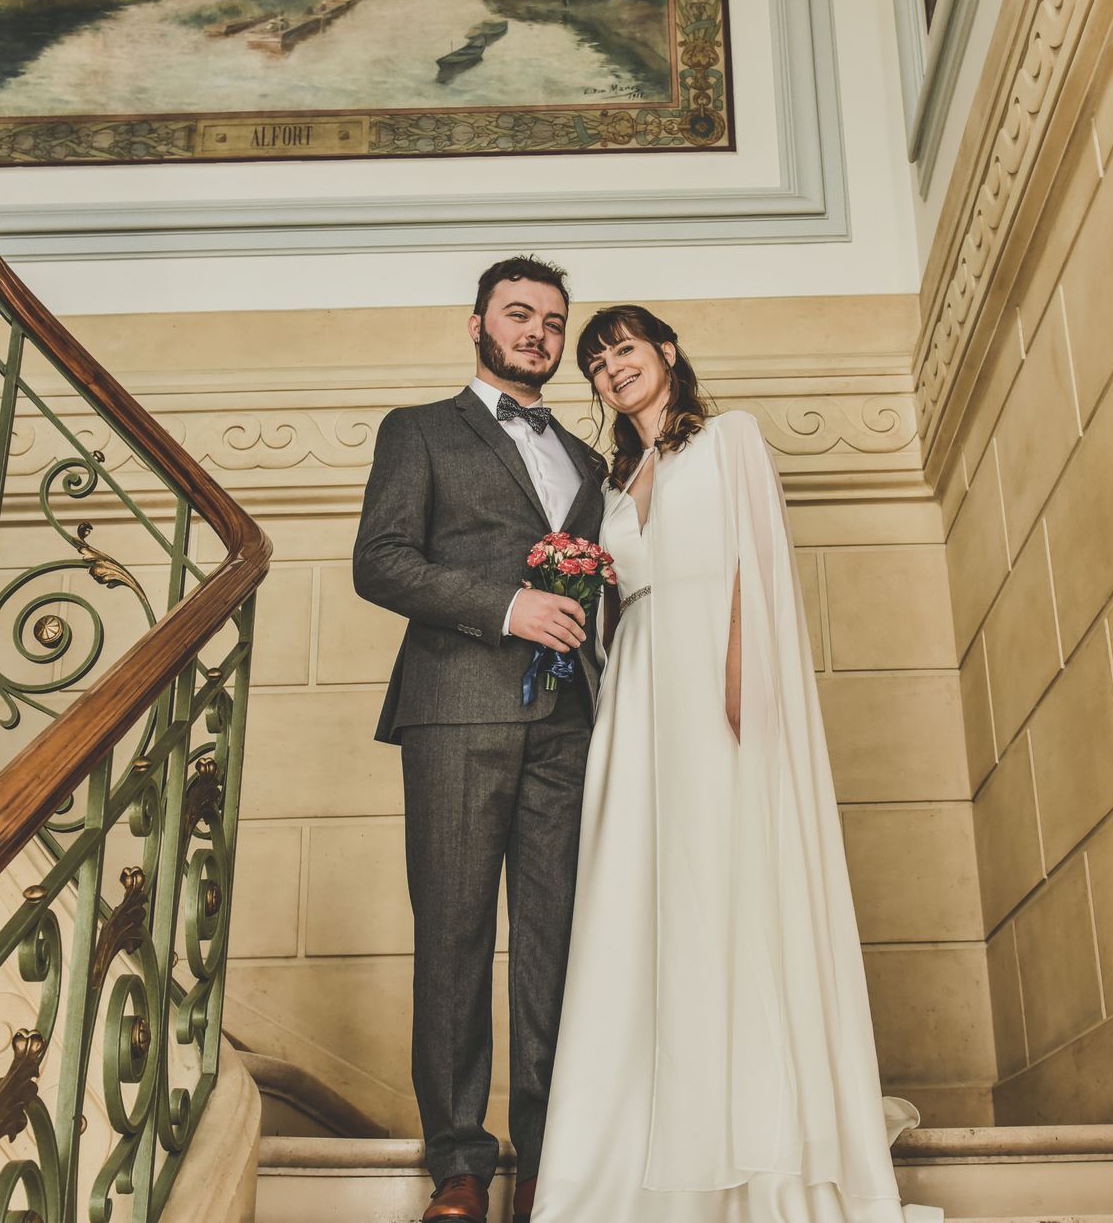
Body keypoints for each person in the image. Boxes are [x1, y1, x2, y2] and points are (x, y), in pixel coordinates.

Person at [532, 305, 942, 1223]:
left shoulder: (729, 441)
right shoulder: (612, 483)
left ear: (666, 352)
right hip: (635, 696)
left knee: (727, 881)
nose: (611, 370)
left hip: (713, 679)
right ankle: (629, 1146)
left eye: (624, 350)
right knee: (638, 895)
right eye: (595, 364)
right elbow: (617, 608)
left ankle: (757, 1145)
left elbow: (755, 568)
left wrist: (741, 682)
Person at [353, 256, 608, 1223]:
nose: (538, 332)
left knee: (557, 945)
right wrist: (506, 607)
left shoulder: (590, 460)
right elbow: (380, 562)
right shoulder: (418, 430)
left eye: (553, 321)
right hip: (456, 710)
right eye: (518, 314)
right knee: (454, 936)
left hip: (570, 725)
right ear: (478, 325)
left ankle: (547, 1159)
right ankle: (460, 1161)